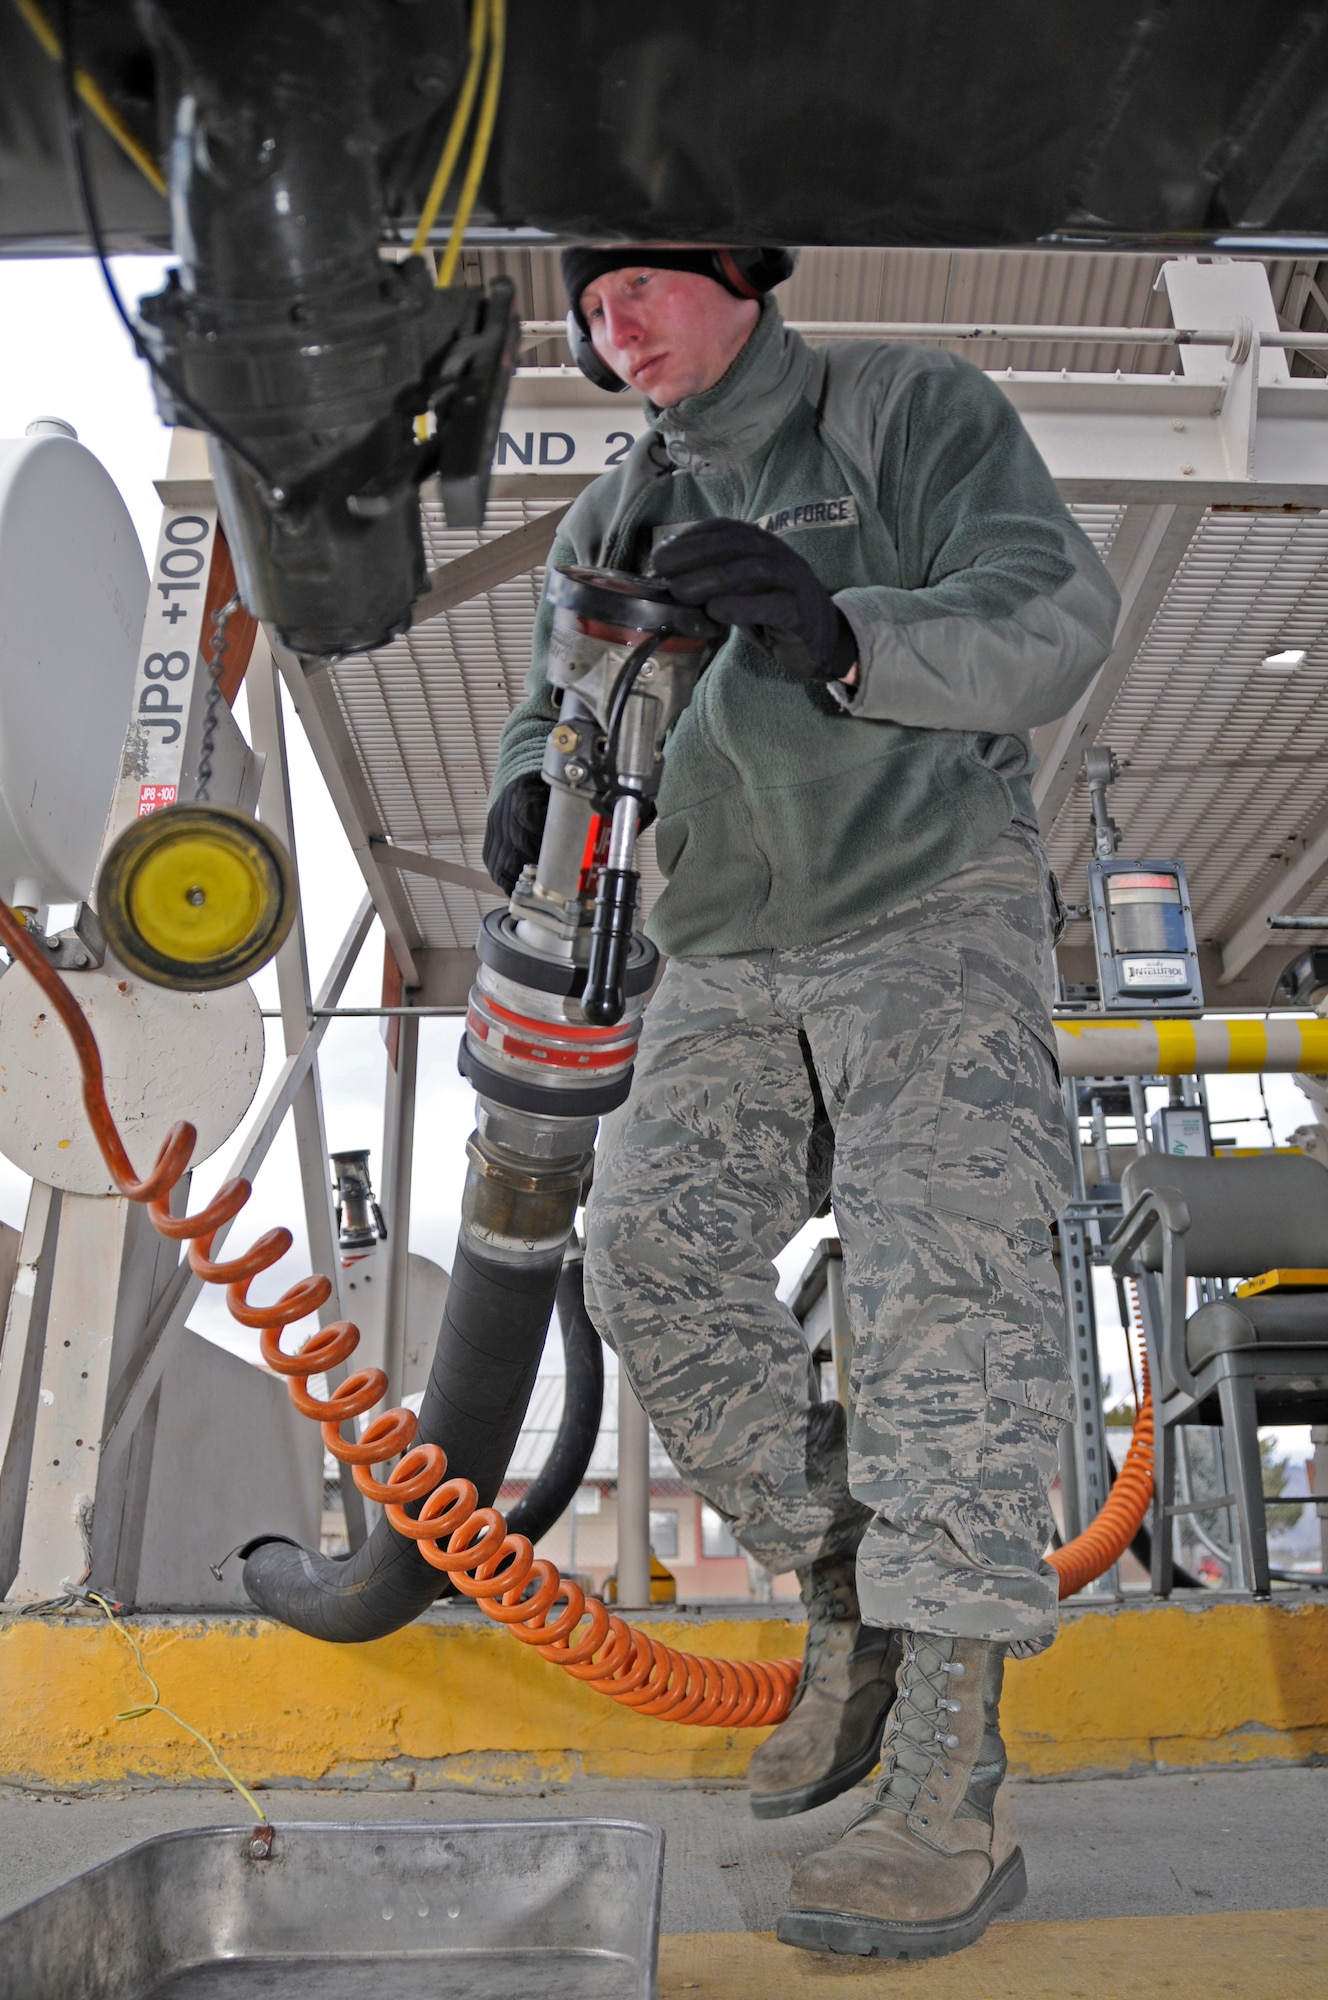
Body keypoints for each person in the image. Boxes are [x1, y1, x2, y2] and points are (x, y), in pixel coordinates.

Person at [483, 246, 1119, 1961]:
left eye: (640, 285)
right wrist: (531, 780)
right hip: (725, 944)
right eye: (591, 306)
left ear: (741, 273)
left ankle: (945, 1791)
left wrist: (848, 627)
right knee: (651, 1268)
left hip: (927, 907)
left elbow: (1055, 607)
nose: (615, 327)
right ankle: (852, 1596)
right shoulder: (609, 511)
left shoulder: (906, 412)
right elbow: (562, 698)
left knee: (942, 1310)